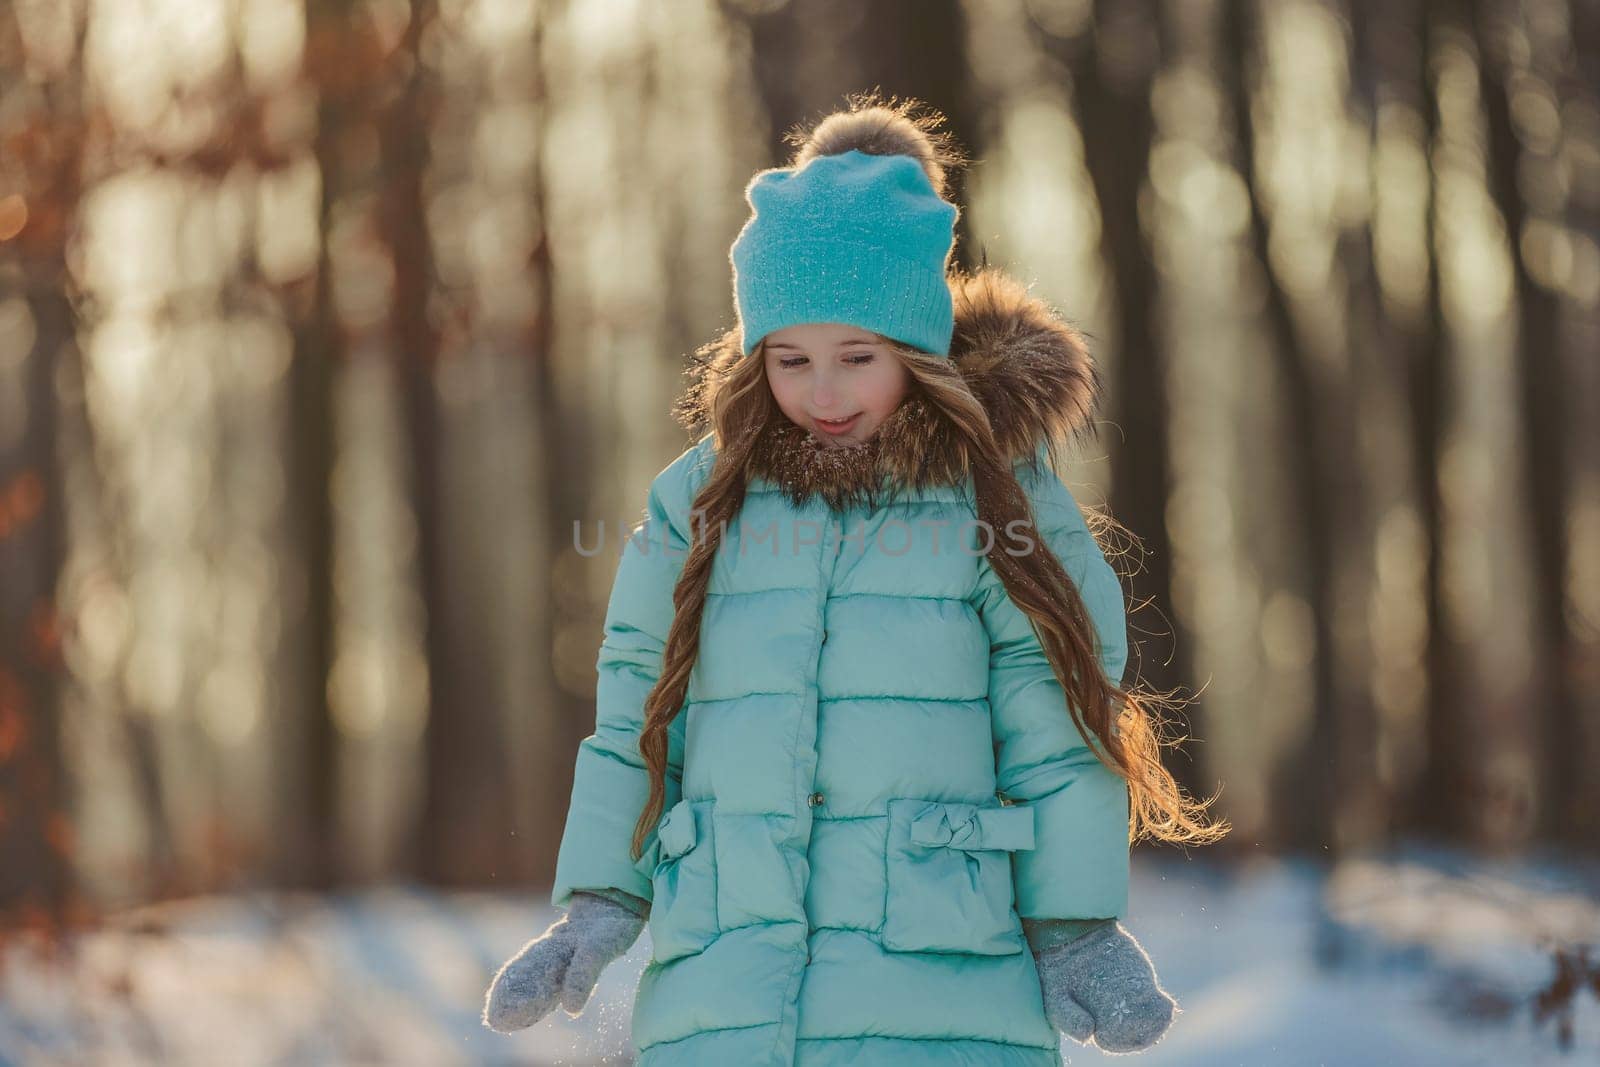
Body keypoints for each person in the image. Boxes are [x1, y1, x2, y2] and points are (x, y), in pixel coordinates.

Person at [483, 96, 1227, 1064]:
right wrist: (599, 897)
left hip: (938, 981)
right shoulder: (700, 507)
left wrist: (1075, 921)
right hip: (729, 996)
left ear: (914, 349)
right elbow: (636, 709)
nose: (821, 392)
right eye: (790, 359)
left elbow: (1053, 714)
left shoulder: (988, 499)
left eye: (856, 359)